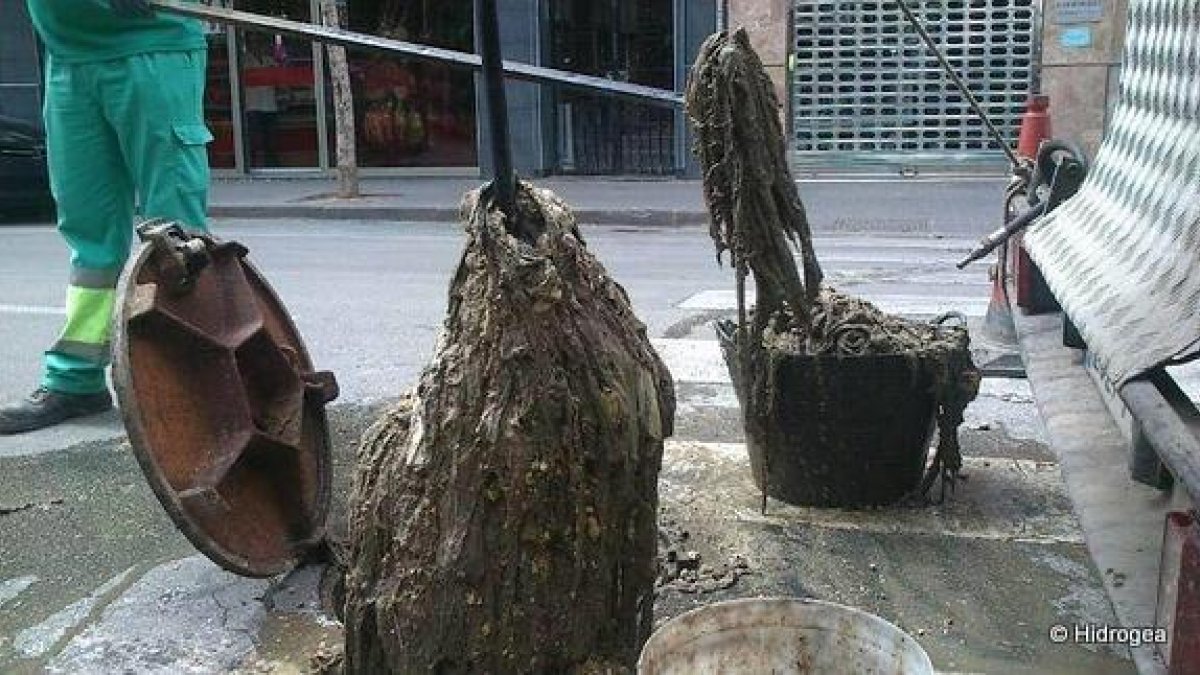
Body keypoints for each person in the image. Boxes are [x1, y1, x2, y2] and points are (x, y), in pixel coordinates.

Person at [0, 0, 212, 434]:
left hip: (151, 44)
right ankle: (75, 378)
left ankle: (189, 379)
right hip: (69, 56)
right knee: (89, 234)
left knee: (174, 235)